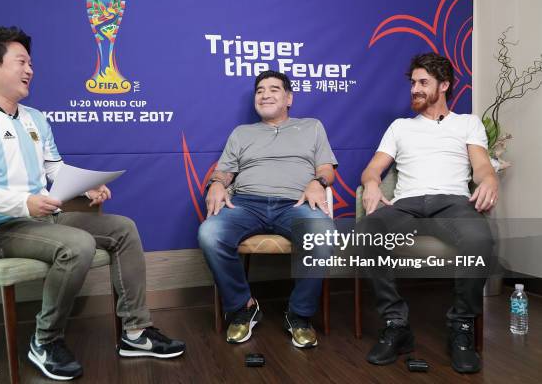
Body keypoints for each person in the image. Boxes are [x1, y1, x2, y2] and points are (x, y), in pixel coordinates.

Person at [0, 26, 185, 381]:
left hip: (47, 220)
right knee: (78, 244)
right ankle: (45, 340)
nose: (30, 70)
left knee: (124, 229)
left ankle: (135, 333)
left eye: (31, 63)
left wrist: (88, 187)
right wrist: (22, 203)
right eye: (21, 62)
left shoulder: (35, 118)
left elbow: (54, 168)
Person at [358, 53, 497, 373]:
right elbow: (372, 169)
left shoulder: (467, 123)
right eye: (413, 83)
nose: (415, 89)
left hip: (452, 203)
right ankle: (396, 324)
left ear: (444, 85)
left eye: (423, 83)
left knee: (479, 240)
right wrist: (371, 184)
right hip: (406, 203)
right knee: (365, 234)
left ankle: (461, 326)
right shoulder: (400, 127)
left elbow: (481, 166)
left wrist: (489, 180)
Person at [198, 70, 337, 348]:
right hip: (246, 203)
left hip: (296, 203)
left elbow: (326, 170)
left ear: (289, 98)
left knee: (323, 235)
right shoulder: (242, 133)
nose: (265, 94)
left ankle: (299, 314)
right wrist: (215, 183)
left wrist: (317, 182)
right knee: (209, 234)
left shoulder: (311, 126)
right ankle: (243, 307)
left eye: (274, 89)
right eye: (260, 90)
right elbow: (224, 172)